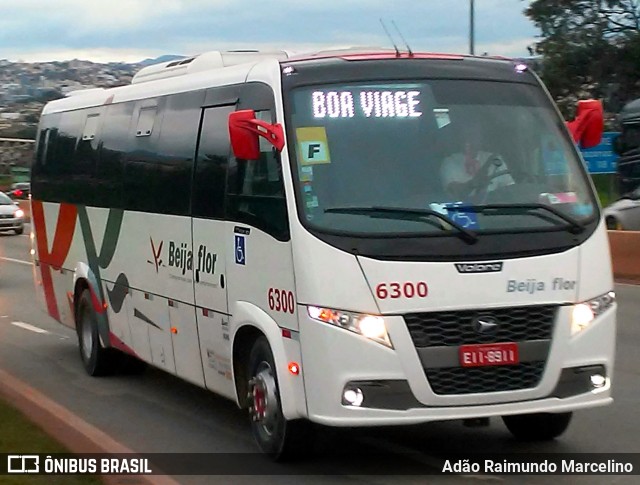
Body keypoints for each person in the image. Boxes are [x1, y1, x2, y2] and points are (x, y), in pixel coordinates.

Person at [440, 121, 513, 201]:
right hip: (464, 211)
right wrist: (473, 183)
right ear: (459, 138)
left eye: (474, 135)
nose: (469, 140)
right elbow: (456, 193)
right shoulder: (450, 162)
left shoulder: (494, 159)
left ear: (481, 138)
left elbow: (510, 189)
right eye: (466, 135)